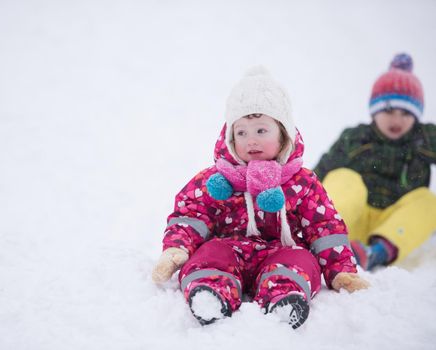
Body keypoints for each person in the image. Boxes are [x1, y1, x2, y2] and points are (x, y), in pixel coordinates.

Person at [151, 66, 369, 328]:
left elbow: (325, 228)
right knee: (210, 253)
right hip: (229, 247)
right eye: (241, 132)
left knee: (300, 261)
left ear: (284, 134)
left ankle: (284, 297)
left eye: (261, 131)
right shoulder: (216, 179)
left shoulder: (302, 182)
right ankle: (211, 292)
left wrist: (341, 270)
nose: (250, 140)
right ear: (230, 137)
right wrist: (177, 247)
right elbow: (190, 214)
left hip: (282, 251)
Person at [314, 53, 436, 271]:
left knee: (428, 201)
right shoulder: (357, 137)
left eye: (406, 113)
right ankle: (322, 238)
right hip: (349, 222)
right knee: (343, 177)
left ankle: (374, 254)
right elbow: (319, 173)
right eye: (389, 110)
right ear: (376, 109)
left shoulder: (424, 140)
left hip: (393, 229)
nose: (396, 120)